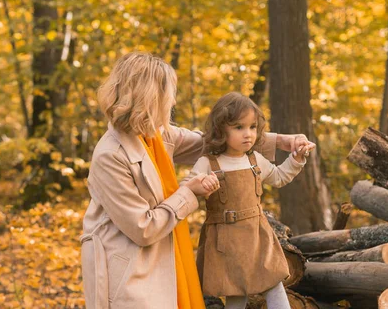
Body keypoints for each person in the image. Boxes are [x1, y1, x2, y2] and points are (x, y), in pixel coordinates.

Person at [80, 52, 316, 309]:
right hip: (130, 265)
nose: (171, 103)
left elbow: (216, 140)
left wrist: (281, 141)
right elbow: (143, 228)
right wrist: (188, 192)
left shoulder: (156, 135)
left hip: (165, 255)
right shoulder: (110, 156)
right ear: (149, 99)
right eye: (167, 97)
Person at [186, 92, 314, 309]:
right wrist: (201, 185)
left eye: (252, 127)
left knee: (273, 282)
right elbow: (188, 187)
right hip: (225, 241)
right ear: (220, 129)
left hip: (257, 235)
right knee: (235, 292)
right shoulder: (208, 163)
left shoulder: (256, 160)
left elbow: (280, 177)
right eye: (239, 127)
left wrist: (296, 159)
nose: (248, 134)